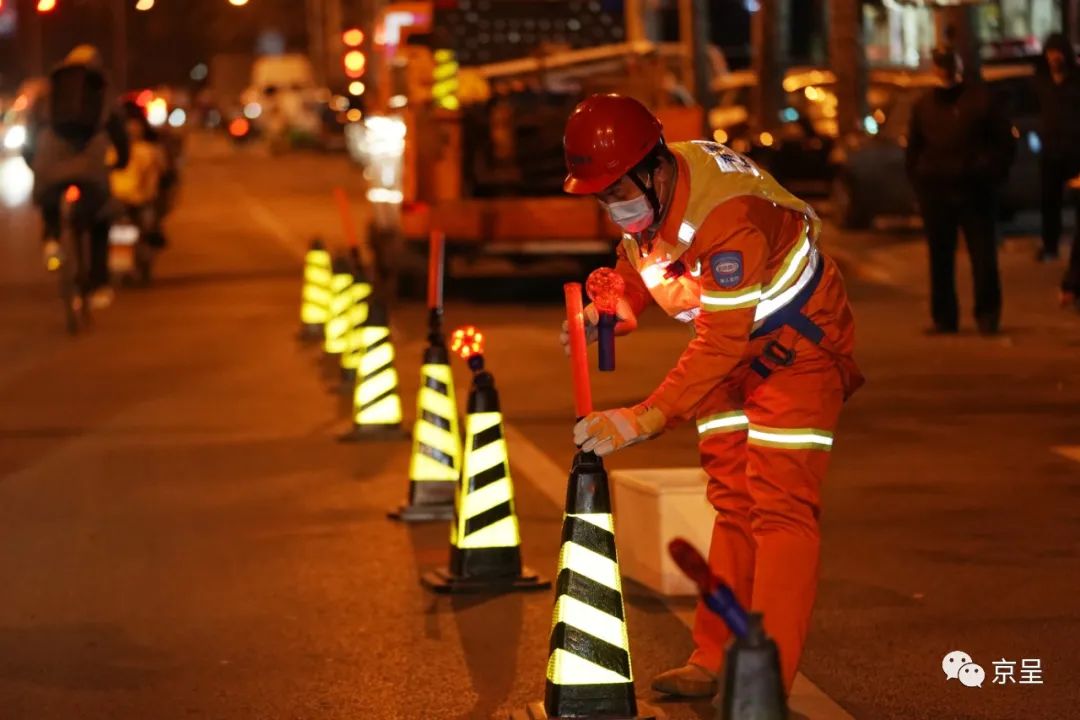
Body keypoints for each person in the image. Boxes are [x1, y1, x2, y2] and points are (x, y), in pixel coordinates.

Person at [558, 94, 863, 697]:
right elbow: (650, 261)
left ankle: (765, 682)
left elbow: (719, 342)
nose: (614, 207)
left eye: (619, 192)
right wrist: (617, 303)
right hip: (734, 347)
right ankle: (715, 658)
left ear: (654, 167)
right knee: (732, 499)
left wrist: (644, 417)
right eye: (603, 196)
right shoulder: (661, 190)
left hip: (799, 350)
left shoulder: (727, 218)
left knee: (781, 509)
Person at [905, 45, 1015, 335]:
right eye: (940, 66)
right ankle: (944, 317)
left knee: (983, 256)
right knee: (940, 258)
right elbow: (914, 149)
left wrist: (987, 172)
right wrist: (920, 182)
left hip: (974, 191)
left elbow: (1003, 144)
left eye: (948, 65)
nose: (944, 72)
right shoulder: (925, 105)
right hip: (937, 191)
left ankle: (987, 315)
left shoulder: (979, 102)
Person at [23, 45, 129, 309]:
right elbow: (118, 130)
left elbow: (31, 133)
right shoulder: (101, 89)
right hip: (90, 164)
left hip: (50, 159)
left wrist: (33, 163)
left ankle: (52, 240)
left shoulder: (49, 90)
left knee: (49, 193)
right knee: (101, 219)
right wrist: (122, 160)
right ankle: (99, 286)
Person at [1033, 33, 1080, 306]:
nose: (1054, 58)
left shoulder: (1075, 82)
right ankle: (1050, 244)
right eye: (1050, 52)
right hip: (1051, 152)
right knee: (1048, 200)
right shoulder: (1041, 82)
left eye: (1058, 52)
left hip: (1075, 152)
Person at [110, 101, 167, 246]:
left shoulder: (150, 150)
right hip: (119, 201)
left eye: (135, 125)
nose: (132, 129)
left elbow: (162, 172)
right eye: (129, 125)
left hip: (141, 201)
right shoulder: (112, 150)